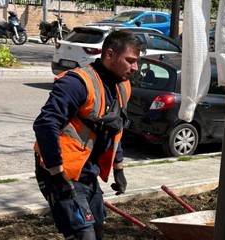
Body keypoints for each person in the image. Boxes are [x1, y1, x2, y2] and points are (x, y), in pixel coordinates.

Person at [33, 30, 144, 240]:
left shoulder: (122, 86)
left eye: (136, 61)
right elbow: (45, 124)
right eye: (130, 61)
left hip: (86, 172)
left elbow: (116, 128)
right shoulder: (77, 83)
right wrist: (57, 174)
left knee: (97, 230)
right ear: (110, 55)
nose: (135, 67)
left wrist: (118, 168)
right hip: (60, 171)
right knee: (83, 235)